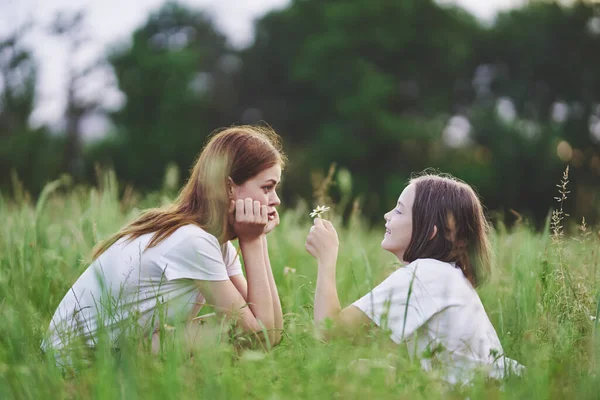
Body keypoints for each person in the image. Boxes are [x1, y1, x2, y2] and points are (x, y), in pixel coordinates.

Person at [43, 125, 285, 363]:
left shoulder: (217, 245)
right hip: (77, 360)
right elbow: (258, 337)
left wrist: (257, 238)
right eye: (267, 187)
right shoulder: (193, 241)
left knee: (221, 334)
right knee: (227, 333)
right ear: (229, 187)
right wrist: (252, 241)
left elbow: (271, 332)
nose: (276, 200)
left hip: (118, 351)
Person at [305, 173, 522, 384]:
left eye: (399, 211)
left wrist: (326, 258)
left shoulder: (427, 274)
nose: (387, 215)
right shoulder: (444, 274)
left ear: (431, 232)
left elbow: (330, 331)